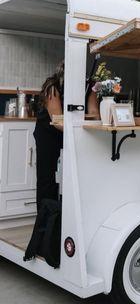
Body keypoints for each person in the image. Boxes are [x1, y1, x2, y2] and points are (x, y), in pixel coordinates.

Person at [34, 61, 99, 211]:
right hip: (48, 135)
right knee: (48, 177)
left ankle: (67, 217)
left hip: (73, 133)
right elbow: (58, 120)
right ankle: (46, 221)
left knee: (72, 177)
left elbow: (94, 113)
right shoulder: (53, 87)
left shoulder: (90, 86)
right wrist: (80, 126)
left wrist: (92, 124)